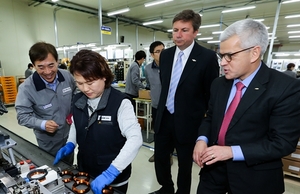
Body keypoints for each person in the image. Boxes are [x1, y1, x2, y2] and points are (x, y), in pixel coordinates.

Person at [193, 18, 300, 194]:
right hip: (213, 174)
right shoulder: (219, 84)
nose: (223, 62)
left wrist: (231, 152)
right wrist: (201, 140)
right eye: (221, 55)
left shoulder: (285, 88)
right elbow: (211, 117)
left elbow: (282, 143)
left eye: (230, 56)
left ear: (254, 53)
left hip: (254, 179)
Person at [53, 49, 143, 194]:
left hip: (113, 178)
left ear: (104, 77)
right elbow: (77, 123)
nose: (85, 89)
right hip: (85, 171)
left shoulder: (120, 102)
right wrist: (71, 142)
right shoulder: (78, 99)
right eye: (80, 83)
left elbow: (135, 138)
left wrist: (111, 172)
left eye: (90, 82)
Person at [150, 10, 219, 194]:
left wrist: (203, 120)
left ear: (195, 32)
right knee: (161, 158)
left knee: (184, 162)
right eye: (175, 30)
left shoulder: (207, 57)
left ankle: (182, 192)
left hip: (189, 121)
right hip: (164, 117)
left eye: (184, 30)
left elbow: (211, 94)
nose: (178, 35)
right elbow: (166, 86)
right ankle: (166, 187)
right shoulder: (166, 55)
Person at [15, 41, 76, 164]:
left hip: (70, 135)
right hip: (49, 141)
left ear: (57, 61)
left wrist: (74, 111)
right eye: (41, 67)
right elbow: (22, 116)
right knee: (53, 168)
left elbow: (77, 95)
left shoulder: (67, 76)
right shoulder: (26, 88)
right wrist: (43, 124)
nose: (47, 72)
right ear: (33, 65)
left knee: (68, 166)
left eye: (51, 65)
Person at [145, 41, 173, 164]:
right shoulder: (148, 69)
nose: (162, 53)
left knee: (170, 133)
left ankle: (169, 155)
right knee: (157, 131)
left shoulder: (172, 66)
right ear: (152, 54)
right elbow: (149, 85)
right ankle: (157, 153)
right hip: (156, 106)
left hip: (170, 107)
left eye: (163, 50)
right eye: (158, 51)